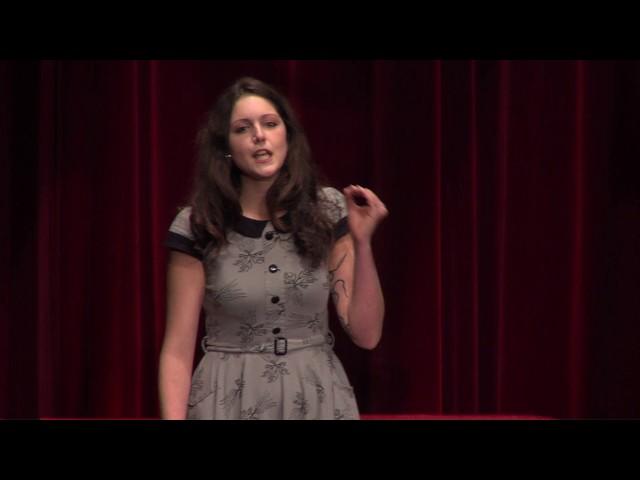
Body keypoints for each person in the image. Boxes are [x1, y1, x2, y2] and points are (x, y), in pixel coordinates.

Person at [158, 77, 388, 420]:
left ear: (287, 136)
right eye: (242, 128)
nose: (259, 135)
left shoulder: (328, 210)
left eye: (270, 124)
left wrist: (363, 242)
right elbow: (176, 352)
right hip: (226, 400)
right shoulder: (198, 225)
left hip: (316, 397)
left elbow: (366, 334)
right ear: (226, 147)